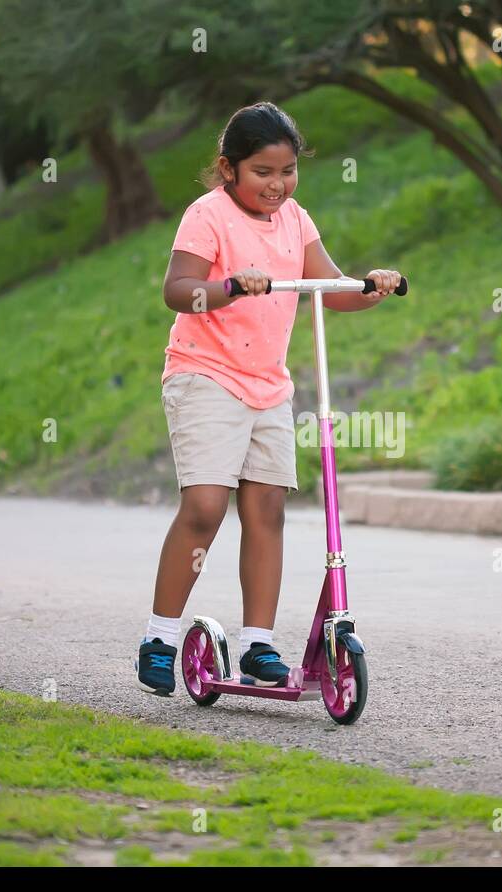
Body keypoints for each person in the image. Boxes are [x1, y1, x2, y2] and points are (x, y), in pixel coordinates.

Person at [137, 101, 401, 696]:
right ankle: (159, 636)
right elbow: (177, 292)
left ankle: (258, 642)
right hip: (205, 375)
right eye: (262, 172)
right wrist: (227, 288)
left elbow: (331, 290)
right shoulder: (207, 215)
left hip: (267, 385)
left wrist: (372, 286)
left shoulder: (296, 220)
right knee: (205, 507)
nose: (277, 185)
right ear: (229, 168)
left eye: (287, 171)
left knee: (267, 510)